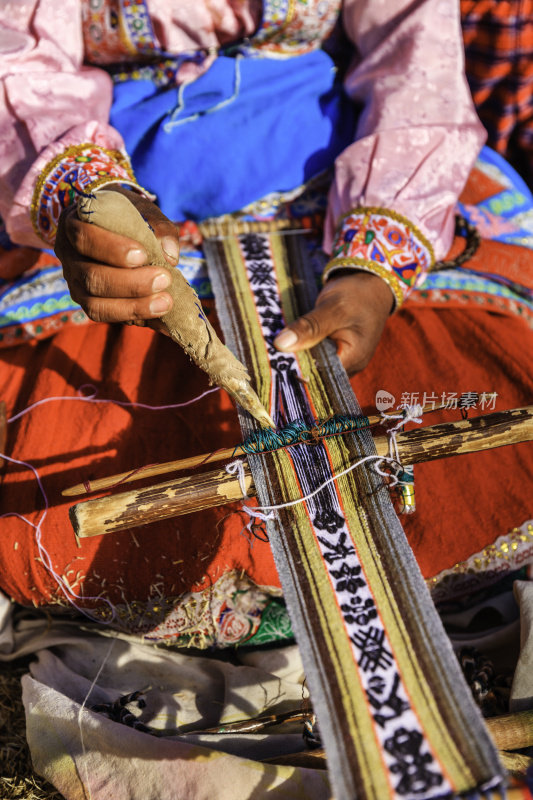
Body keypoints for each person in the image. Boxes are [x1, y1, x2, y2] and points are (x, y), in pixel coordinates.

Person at [0, 0, 532, 643]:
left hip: (343, 196)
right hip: (124, 202)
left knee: (476, 467)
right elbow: (18, 65)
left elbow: (416, 62)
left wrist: (372, 269)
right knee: (51, 518)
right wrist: (87, 199)